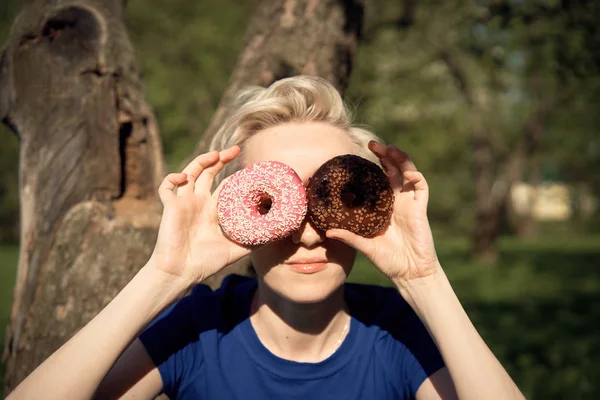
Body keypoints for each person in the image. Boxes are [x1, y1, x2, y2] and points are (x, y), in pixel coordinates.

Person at [7, 76, 525, 400]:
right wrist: (165, 275)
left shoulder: (397, 335)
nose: (305, 235)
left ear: (371, 207)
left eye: (329, 197)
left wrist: (424, 279)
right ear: (236, 211)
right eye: (276, 201)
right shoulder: (198, 331)